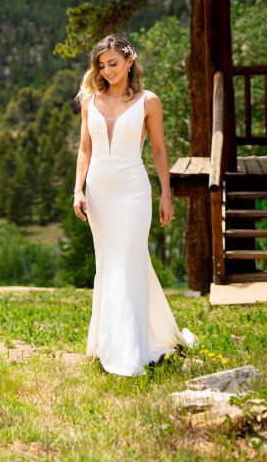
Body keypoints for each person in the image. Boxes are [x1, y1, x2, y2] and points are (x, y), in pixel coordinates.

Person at [72, 34, 192, 376]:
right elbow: (84, 149)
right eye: (101, 65)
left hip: (133, 192)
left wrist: (166, 194)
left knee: (128, 261)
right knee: (109, 264)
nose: (107, 70)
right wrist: (77, 189)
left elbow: (158, 150)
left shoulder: (148, 101)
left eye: (113, 63)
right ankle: (109, 340)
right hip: (99, 193)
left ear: (129, 61)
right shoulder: (89, 100)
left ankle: (130, 349)